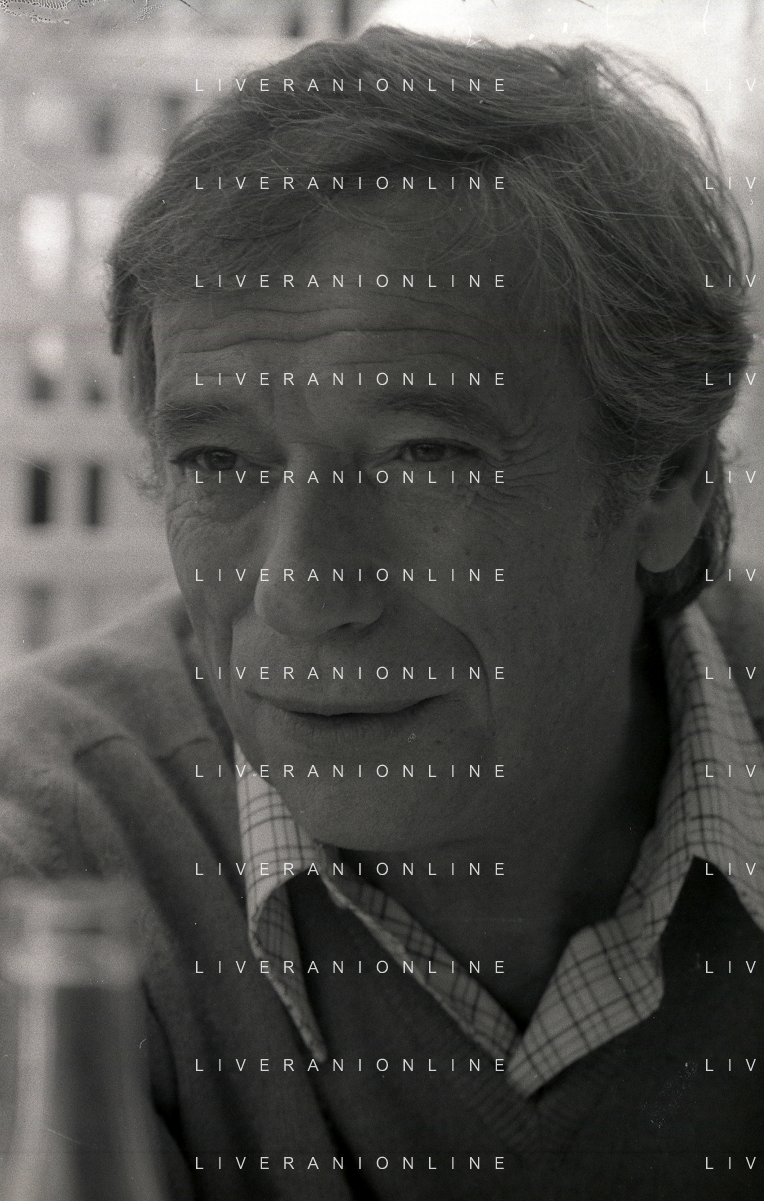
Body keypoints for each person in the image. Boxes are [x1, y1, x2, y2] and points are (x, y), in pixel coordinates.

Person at [2, 25, 763, 1201]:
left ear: (667, 483)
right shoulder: (48, 859)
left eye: (424, 456)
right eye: (218, 462)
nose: (302, 591)